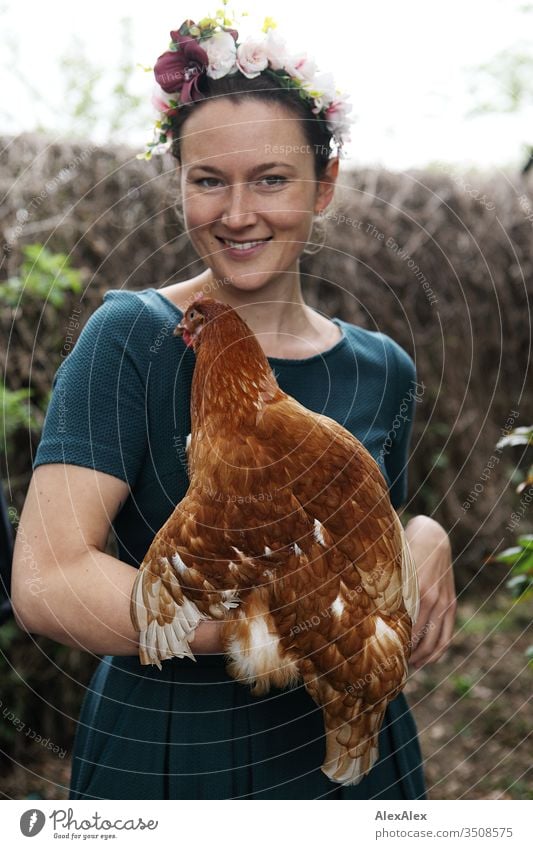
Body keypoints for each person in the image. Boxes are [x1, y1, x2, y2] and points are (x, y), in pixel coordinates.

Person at [11, 11, 456, 800]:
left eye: (272, 179)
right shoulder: (133, 339)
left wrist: (424, 535)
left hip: (352, 752)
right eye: (209, 179)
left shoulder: (380, 367)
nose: (238, 213)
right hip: (175, 751)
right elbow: (46, 580)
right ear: (179, 184)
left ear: (325, 185)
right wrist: (283, 627)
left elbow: (361, 532)